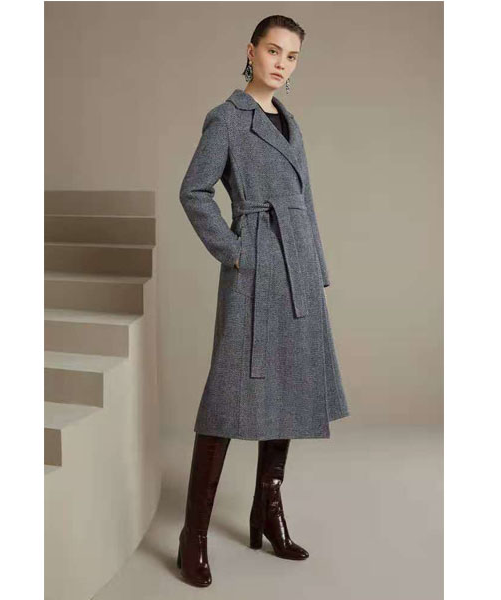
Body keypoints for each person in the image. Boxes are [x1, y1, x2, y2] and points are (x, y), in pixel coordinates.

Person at [177, 15, 349, 587]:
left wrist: (317, 271)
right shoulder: (227, 118)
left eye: (292, 56)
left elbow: (307, 204)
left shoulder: (290, 123)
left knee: (291, 392)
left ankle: (267, 513)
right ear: (250, 52)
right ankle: (193, 536)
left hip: (298, 272)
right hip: (255, 269)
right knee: (226, 400)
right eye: (273, 51)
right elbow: (194, 190)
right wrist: (235, 252)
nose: (281, 63)